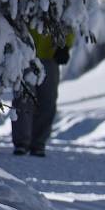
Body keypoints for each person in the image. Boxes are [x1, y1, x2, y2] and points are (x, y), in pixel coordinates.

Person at [12, 28, 74, 157]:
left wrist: (65, 46)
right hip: (25, 54)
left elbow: (69, 20)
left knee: (48, 101)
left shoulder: (57, 7)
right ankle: (22, 142)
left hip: (51, 54)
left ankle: (38, 143)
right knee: (23, 99)